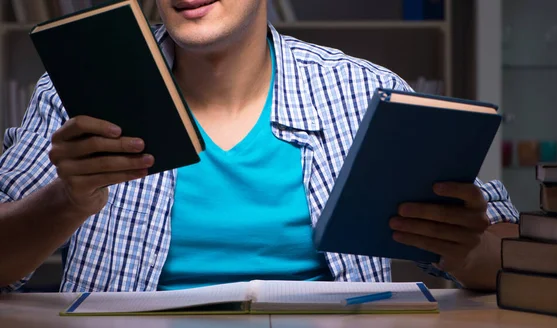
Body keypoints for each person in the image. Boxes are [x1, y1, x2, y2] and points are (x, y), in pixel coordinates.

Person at [0, 0, 519, 293]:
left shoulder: (362, 91)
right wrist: (67, 201)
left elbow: (510, 256)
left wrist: (467, 246)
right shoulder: (77, 95)